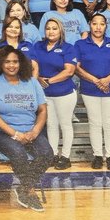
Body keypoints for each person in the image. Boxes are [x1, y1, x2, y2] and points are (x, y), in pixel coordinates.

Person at [0, 46, 53, 211]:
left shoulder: (32, 83)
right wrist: (15, 134)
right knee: (18, 153)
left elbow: (42, 110)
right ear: (0, 63)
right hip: (1, 131)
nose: (11, 65)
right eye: (7, 62)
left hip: (29, 130)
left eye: (15, 61)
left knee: (47, 154)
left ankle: (23, 188)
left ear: (21, 64)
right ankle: (30, 191)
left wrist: (35, 131)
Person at [75, 12, 110, 171]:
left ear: (106, 26)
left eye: (101, 24)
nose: (98, 27)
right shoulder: (80, 44)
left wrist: (107, 80)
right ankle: (97, 155)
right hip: (90, 89)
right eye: (94, 23)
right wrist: (95, 81)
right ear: (89, 25)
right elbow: (76, 67)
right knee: (95, 123)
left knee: (109, 123)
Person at [28, 17, 78, 170]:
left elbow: (69, 71)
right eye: (48, 28)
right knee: (51, 125)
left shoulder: (68, 47)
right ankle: (53, 154)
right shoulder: (38, 46)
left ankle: (66, 156)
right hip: (45, 94)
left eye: (54, 28)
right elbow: (33, 66)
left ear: (61, 30)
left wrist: (49, 81)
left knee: (65, 124)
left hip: (64, 93)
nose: (51, 31)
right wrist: (39, 79)